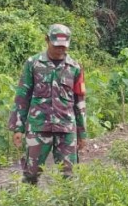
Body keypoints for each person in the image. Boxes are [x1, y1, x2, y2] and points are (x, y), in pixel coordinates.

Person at [8, 23, 87, 184]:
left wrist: (82, 133)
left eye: (64, 46)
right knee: (31, 174)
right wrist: (18, 127)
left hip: (66, 128)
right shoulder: (33, 64)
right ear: (47, 40)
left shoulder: (74, 68)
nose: (60, 50)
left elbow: (79, 102)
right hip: (38, 127)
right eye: (56, 45)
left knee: (69, 176)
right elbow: (23, 96)